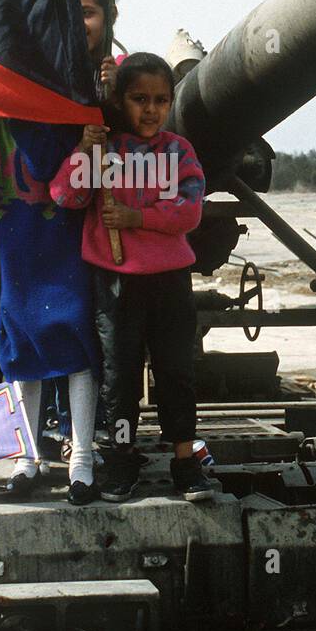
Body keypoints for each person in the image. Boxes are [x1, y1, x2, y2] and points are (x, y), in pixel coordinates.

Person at [50, 52, 214, 502]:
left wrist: (134, 216)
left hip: (170, 283)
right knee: (119, 381)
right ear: (119, 100)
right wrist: (84, 150)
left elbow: (189, 211)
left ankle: (186, 461)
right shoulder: (103, 150)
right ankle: (122, 460)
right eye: (139, 98)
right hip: (116, 284)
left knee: (176, 373)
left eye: (161, 100)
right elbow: (64, 196)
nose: (151, 109)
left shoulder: (179, 151)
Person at [0, 121, 100, 506]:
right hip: (20, 252)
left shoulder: (73, 118)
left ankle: (82, 459)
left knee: (77, 346)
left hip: (68, 245)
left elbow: (86, 190)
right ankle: (26, 456)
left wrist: (85, 144)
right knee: (22, 352)